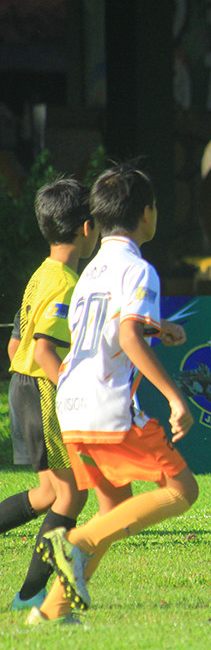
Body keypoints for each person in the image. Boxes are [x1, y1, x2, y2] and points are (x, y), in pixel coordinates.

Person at [28, 164, 198, 624]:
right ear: (146, 215)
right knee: (182, 488)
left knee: (114, 509)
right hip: (107, 406)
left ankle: (52, 611)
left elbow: (103, 330)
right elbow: (126, 336)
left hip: (71, 405)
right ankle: (72, 544)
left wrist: (159, 328)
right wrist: (175, 398)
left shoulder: (88, 273)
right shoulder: (139, 268)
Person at [1, 179, 97, 610]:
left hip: (22, 387)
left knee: (46, 495)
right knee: (72, 494)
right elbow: (42, 349)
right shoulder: (65, 283)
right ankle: (30, 594)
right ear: (86, 227)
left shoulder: (41, 275)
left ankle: (33, 589)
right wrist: (76, 390)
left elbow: (15, 345)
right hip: (42, 388)